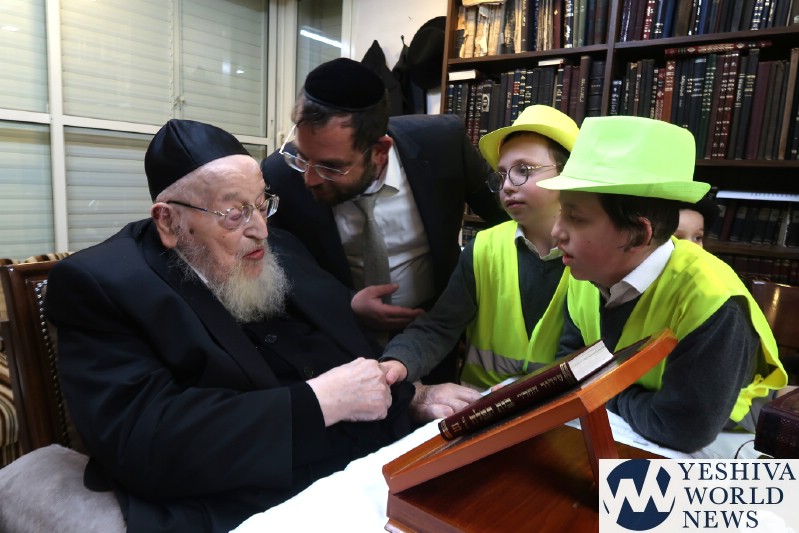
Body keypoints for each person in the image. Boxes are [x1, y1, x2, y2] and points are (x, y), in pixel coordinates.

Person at [44, 119, 481, 532]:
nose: (261, 230)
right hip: (257, 492)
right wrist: (319, 402)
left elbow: (348, 342)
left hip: (377, 457)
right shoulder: (100, 284)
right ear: (168, 221)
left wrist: (415, 395)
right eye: (234, 213)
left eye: (261, 204)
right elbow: (143, 439)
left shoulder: (277, 245)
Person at [534, 116, 787, 453]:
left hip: (725, 445)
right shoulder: (585, 270)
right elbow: (569, 366)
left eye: (576, 218)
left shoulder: (713, 302)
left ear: (639, 234)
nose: (556, 232)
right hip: (629, 430)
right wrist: (612, 393)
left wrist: (602, 390)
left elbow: (682, 428)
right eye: (561, 213)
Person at [261, 58, 508, 354]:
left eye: (331, 167)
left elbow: (505, 216)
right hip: (337, 340)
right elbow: (284, 261)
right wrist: (345, 303)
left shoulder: (444, 145)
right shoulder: (280, 174)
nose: (309, 179)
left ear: (379, 151)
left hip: (432, 335)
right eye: (302, 157)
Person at [381, 105, 579, 389]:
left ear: (568, 173)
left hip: (559, 404)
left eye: (523, 170)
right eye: (502, 175)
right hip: (481, 401)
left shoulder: (592, 255)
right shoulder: (484, 249)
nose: (507, 186)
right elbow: (440, 325)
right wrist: (398, 362)